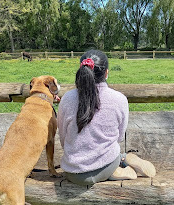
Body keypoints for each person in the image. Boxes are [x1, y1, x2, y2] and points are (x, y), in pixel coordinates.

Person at [58, 50, 156, 186]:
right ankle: (122, 161)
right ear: (106, 73)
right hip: (106, 165)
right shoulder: (119, 99)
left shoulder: (67, 99)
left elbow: (63, 138)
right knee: (112, 152)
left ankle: (120, 164)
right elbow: (120, 137)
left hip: (73, 172)